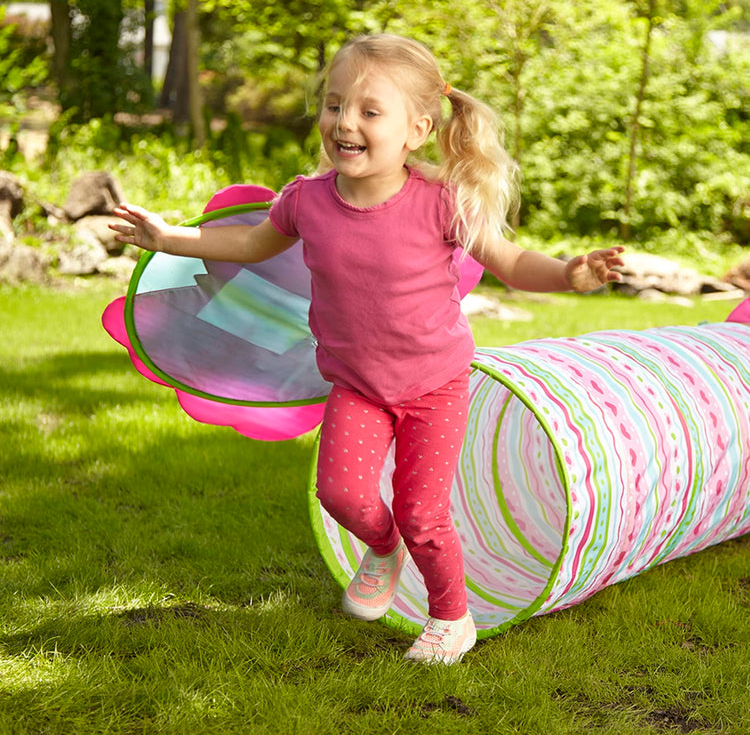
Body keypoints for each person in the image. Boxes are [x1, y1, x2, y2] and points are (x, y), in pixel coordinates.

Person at [110, 33, 625, 664]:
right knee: (343, 495)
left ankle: (450, 618)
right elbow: (247, 248)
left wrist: (571, 273)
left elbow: (513, 261)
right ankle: (382, 550)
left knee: (423, 514)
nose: (344, 123)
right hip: (357, 383)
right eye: (333, 105)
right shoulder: (307, 200)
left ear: (416, 129)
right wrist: (170, 238)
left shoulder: (440, 202)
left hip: (435, 386)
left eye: (368, 112)